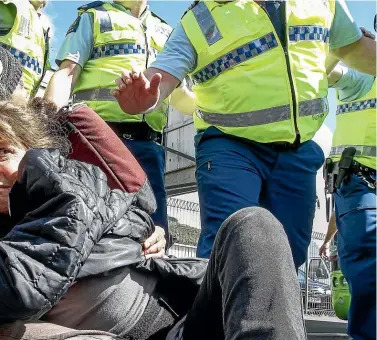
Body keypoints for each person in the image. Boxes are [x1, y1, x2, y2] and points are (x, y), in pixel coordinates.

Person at [0, 92, 308, 339]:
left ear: (37, 152)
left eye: (3, 153)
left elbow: (20, 283)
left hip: (182, 322)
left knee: (253, 224)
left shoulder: (63, 184)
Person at [111, 0, 377, 267]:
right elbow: (163, 75)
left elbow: (353, 47)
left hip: (298, 151)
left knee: (288, 255)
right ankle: (215, 308)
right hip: (230, 146)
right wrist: (145, 98)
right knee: (231, 246)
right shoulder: (200, 18)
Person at [44, 0, 196, 241]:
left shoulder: (166, 31)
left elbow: (180, 97)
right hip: (97, 143)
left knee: (152, 237)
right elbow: (66, 74)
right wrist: (47, 135)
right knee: (88, 230)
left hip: (148, 148)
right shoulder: (94, 17)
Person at [323, 59, 376, 339]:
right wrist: (346, 46)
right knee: (370, 268)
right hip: (362, 183)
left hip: (358, 193)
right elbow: (328, 69)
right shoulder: (363, 74)